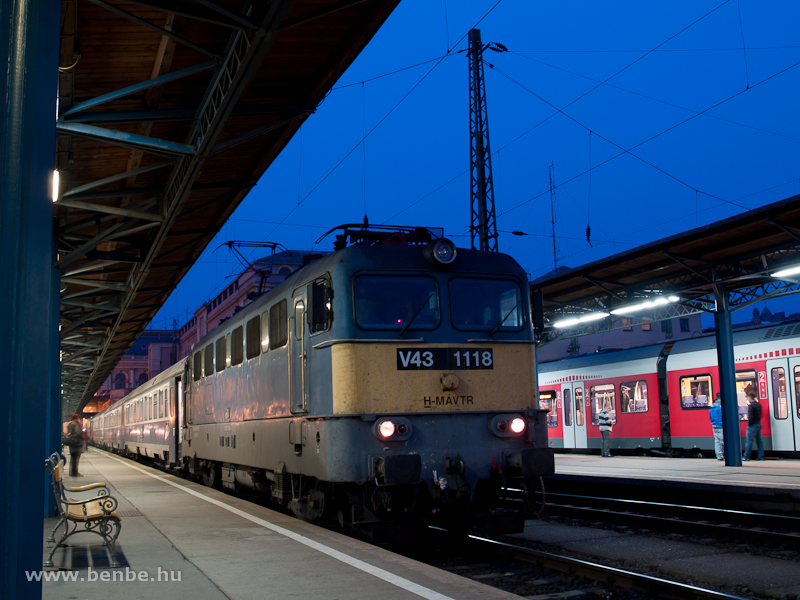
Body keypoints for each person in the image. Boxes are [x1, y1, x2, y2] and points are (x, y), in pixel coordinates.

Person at [742, 392, 764, 461]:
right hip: (758, 424)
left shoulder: (751, 406)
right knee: (759, 441)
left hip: (752, 425)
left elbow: (751, 417)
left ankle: (746, 456)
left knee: (749, 442)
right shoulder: (759, 405)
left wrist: (749, 424)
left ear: (749, 398)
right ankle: (760, 456)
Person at [709, 393, 724, 460]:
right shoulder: (721, 407)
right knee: (724, 441)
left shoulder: (712, 406)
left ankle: (719, 456)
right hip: (721, 425)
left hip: (714, 425)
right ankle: (726, 454)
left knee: (717, 441)